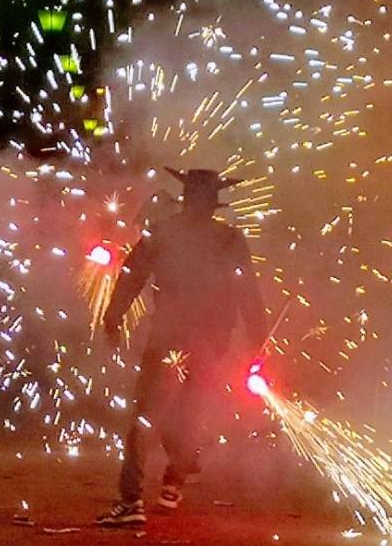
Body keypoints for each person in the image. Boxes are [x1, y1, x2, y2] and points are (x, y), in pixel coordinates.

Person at [95, 168, 267, 527]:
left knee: (145, 415)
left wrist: (113, 317)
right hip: (213, 340)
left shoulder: (163, 232)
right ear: (214, 203)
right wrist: (257, 342)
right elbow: (248, 291)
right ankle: (173, 482)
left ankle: (131, 502)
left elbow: (132, 275)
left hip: (169, 336)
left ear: (186, 199)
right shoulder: (229, 239)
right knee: (191, 411)